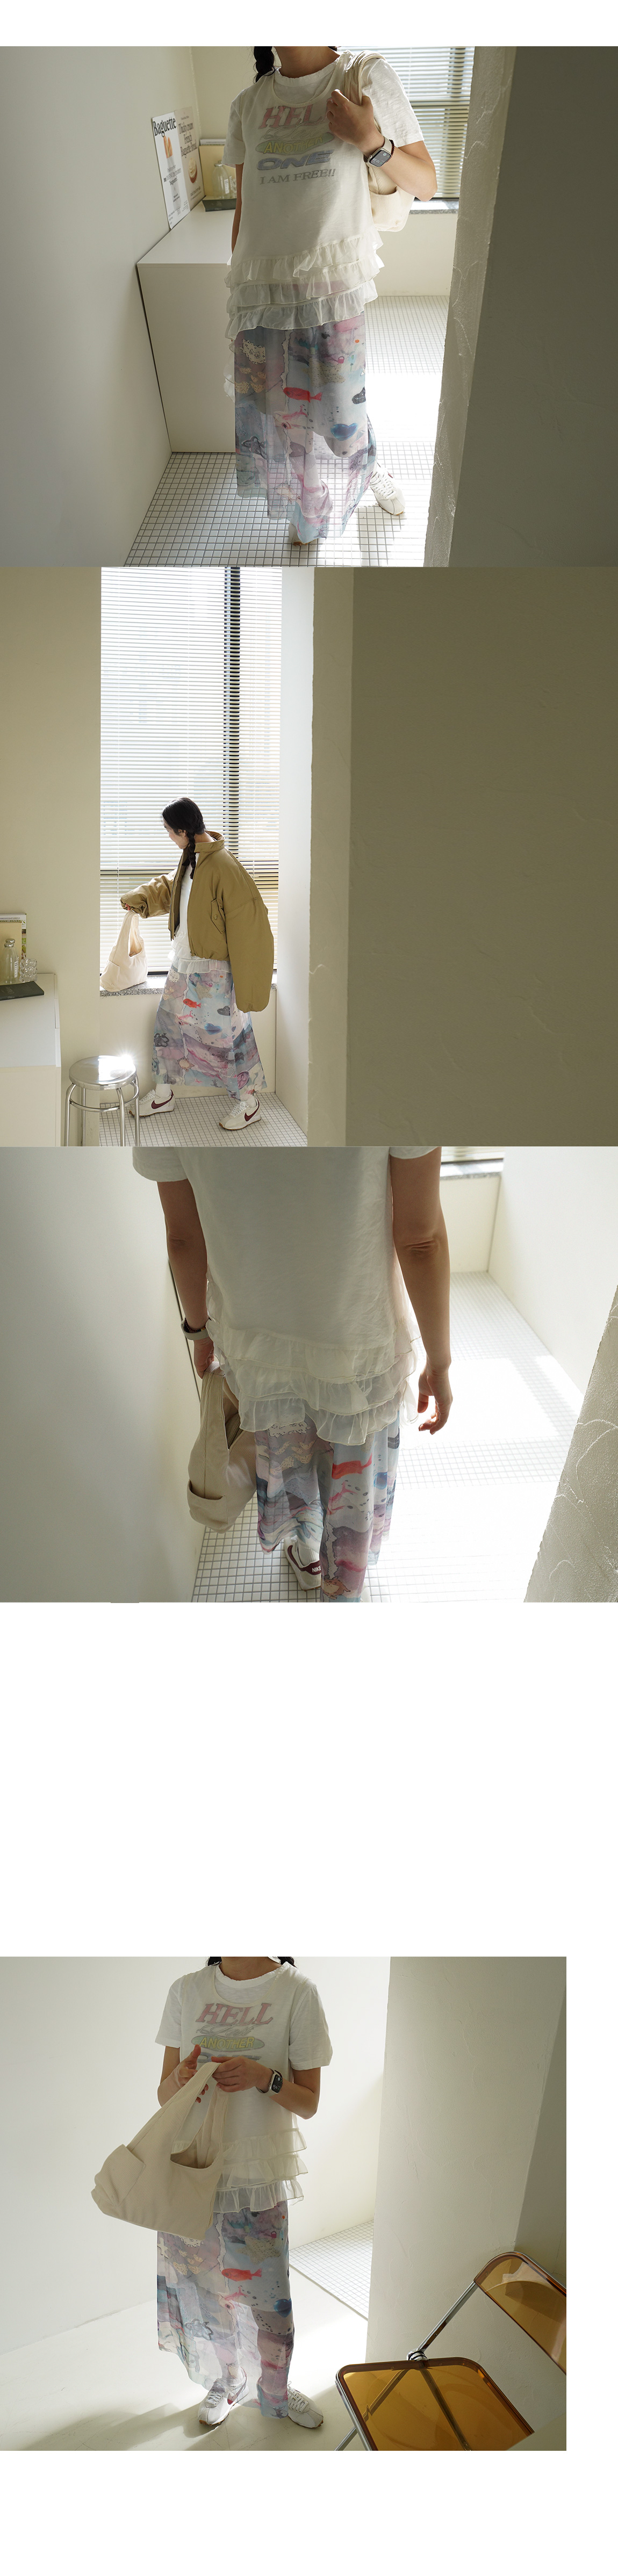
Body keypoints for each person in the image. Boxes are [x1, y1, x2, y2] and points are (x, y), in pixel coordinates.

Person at [132, 1144, 452, 1599]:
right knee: (350, 1477)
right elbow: (421, 1241)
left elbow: (183, 1237)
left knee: (292, 1455)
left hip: (258, 1343)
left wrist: (200, 1330)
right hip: (356, 1340)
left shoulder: (167, 1099)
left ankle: (307, 1553)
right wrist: (439, 1361)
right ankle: (341, 1587)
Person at [225, 46, 436, 546]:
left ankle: (368, 468)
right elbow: (245, 208)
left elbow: (426, 183)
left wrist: (372, 141)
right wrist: (238, 291)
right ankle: (310, 497)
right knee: (283, 418)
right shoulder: (247, 106)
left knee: (341, 425)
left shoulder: (363, 76)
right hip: (262, 293)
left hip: (331, 291)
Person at [155, 1955, 333, 2431]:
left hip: (256, 2173)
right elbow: (164, 2093)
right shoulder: (186, 1989)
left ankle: (275, 2390)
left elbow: (309, 2102)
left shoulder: (297, 1991)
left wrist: (263, 2077)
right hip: (191, 2167)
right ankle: (229, 2379)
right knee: (206, 2291)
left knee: (269, 2301)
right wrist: (183, 2079)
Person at [121, 798, 274, 1131]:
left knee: (228, 1039)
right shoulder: (192, 858)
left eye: (169, 831)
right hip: (185, 962)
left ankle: (250, 1104)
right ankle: (164, 1095)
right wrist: (140, 900)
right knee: (168, 1028)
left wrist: (250, 985)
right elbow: (175, 889)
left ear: (183, 830)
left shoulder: (224, 866)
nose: (168, 836)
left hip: (215, 972)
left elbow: (250, 925)